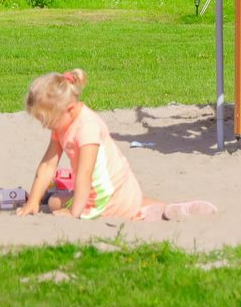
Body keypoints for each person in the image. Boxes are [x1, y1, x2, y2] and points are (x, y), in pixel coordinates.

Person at [16, 69, 216, 222]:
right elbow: (48, 165)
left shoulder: (87, 128)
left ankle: (148, 214)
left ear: (68, 109)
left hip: (102, 197)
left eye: (46, 121)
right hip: (122, 187)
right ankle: (170, 209)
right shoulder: (63, 124)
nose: (45, 126)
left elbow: (84, 175)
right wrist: (33, 201)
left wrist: (73, 213)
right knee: (133, 204)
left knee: (53, 202)